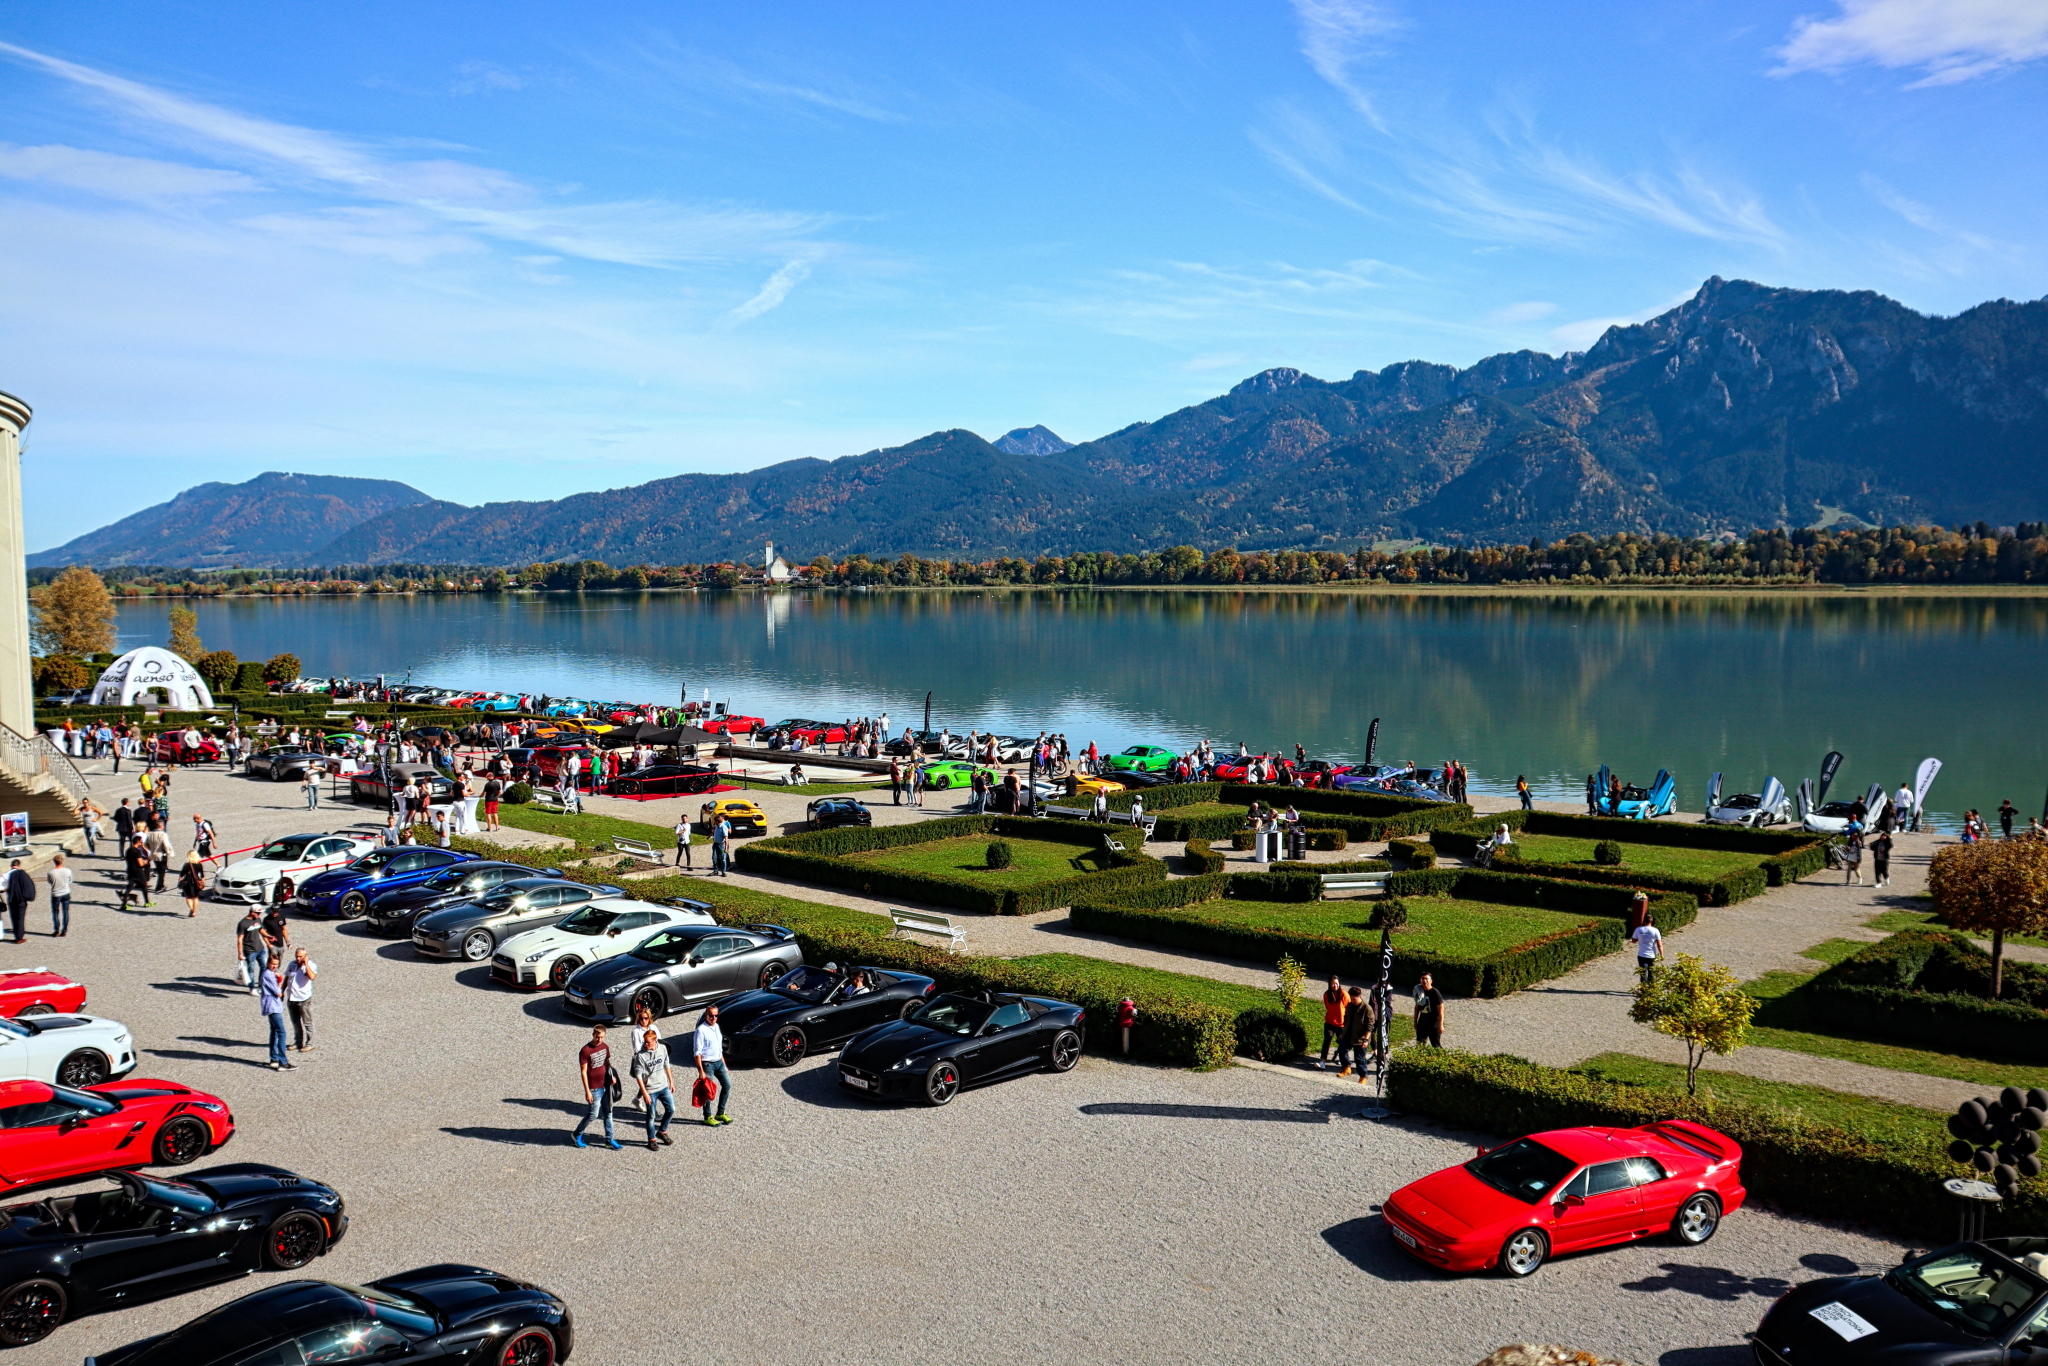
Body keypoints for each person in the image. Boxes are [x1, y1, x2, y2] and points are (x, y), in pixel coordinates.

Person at [571, 1026, 620, 1149]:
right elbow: (583, 1072)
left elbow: (607, 1063)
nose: (599, 1040)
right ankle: (577, 1133)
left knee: (608, 1113)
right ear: (593, 1034)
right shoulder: (585, 1050)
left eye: (602, 1037)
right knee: (593, 1114)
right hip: (594, 1088)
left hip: (606, 1085)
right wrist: (587, 1091)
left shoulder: (605, 1047)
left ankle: (609, 1139)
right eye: (597, 1037)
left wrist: (612, 1076)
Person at [632, 1028, 676, 1151]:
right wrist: (644, 1093)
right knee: (651, 1116)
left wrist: (671, 1082)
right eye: (644, 1042)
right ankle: (651, 1139)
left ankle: (662, 1131)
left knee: (671, 1109)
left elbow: (666, 1064)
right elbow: (638, 1076)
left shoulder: (662, 1048)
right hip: (650, 1090)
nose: (645, 1044)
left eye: (648, 1042)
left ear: (655, 1041)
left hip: (663, 1086)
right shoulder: (640, 1056)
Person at [694, 1004, 731, 1125]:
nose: (714, 1018)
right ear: (706, 1015)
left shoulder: (717, 1027)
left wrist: (724, 1065)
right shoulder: (701, 1030)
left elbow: (718, 1048)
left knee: (727, 1085)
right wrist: (701, 1071)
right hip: (707, 1064)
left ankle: (720, 1112)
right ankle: (707, 1116)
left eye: (716, 1015)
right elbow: (697, 1053)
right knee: (708, 1091)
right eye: (711, 1016)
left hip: (719, 1062)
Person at [258, 953, 292, 1070]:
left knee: (274, 1032)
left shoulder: (268, 973)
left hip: (271, 1006)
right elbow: (278, 992)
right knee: (282, 1032)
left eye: (276, 964)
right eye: (272, 964)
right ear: (268, 963)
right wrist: (279, 980)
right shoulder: (268, 975)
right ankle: (282, 1062)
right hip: (273, 1006)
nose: (274, 966)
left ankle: (274, 1058)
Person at [1338, 985, 1375, 1080]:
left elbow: (1370, 1026)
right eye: (1351, 998)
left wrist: (1366, 1040)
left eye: (1354, 999)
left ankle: (1363, 1076)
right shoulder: (1350, 1005)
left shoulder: (1367, 1009)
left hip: (1360, 1037)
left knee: (1359, 1059)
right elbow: (1346, 1019)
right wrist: (1343, 1032)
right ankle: (1346, 1068)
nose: (1352, 1001)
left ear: (1360, 997)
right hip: (1348, 1034)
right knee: (1342, 1050)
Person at [284, 947, 317, 1053]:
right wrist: (282, 990)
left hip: (303, 999)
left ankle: (310, 1043)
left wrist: (306, 964)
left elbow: (312, 977)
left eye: (300, 957)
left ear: (305, 956)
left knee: (307, 1022)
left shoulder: (311, 965)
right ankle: (298, 1042)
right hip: (291, 997)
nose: (298, 959)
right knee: (295, 1022)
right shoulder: (292, 964)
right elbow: (287, 978)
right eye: (296, 956)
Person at [236, 907, 267, 993]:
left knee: (264, 967)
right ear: (252, 912)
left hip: (260, 948)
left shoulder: (258, 919)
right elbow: (240, 939)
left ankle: (261, 985)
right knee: (251, 970)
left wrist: (268, 936)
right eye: (258, 913)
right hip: (249, 951)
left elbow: (261, 930)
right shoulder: (243, 923)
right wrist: (240, 953)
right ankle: (252, 988)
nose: (259, 914)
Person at [1318, 975, 1345, 1070]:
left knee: (1342, 1042)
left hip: (1341, 1023)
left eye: (1337, 983)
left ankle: (1343, 1059)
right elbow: (1327, 1006)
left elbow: (1348, 1007)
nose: (1335, 986)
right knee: (1327, 1039)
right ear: (1330, 984)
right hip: (1330, 1022)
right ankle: (1322, 1061)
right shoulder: (1326, 994)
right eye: (1333, 984)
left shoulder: (1344, 994)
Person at [120, 834, 153, 910]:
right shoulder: (137, 851)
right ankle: (147, 902)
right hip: (138, 871)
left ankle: (123, 904)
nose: (142, 843)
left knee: (129, 888)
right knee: (144, 886)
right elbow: (140, 864)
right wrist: (145, 862)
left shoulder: (128, 850)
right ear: (138, 842)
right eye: (141, 842)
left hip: (130, 870)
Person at [1412, 973, 1444, 1048]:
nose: (1424, 981)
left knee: (1436, 1046)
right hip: (1422, 1022)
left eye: (1426, 979)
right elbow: (1417, 1007)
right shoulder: (1419, 992)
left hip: (1433, 1024)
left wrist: (1441, 1025)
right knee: (1420, 1045)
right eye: (1422, 979)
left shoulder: (1435, 992)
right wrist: (1415, 1021)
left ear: (1431, 981)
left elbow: (1441, 1009)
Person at [3, 860, 32, 944]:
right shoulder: (22, 874)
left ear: (11, 865)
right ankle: (19, 937)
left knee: (13, 917)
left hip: (11, 898)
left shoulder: (5, 874)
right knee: (20, 918)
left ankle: (17, 933)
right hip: (21, 899)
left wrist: (5, 889)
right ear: (19, 865)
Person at [1631, 919, 1664, 984]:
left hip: (1642, 955)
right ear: (1652, 921)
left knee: (1643, 974)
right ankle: (1650, 987)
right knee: (1651, 973)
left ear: (1644, 921)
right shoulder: (1655, 930)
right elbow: (1659, 945)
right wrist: (1661, 955)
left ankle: (1643, 987)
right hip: (1652, 955)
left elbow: (1633, 941)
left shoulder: (1638, 929)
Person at [46, 854, 71, 938]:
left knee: (55, 912)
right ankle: (64, 931)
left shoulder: (51, 873)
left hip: (56, 893)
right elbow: (70, 881)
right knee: (65, 911)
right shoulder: (67, 871)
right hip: (66, 892)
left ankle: (56, 930)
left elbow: (50, 882)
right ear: (62, 861)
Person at [144, 822, 172, 894]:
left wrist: (150, 850)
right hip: (161, 854)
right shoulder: (163, 834)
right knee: (162, 871)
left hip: (153, 854)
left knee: (159, 869)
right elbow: (166, 845)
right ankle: (159, 886)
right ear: (161, 826)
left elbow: (145, 844)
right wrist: (168, 852)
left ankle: (160, 885)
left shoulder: (149, 834)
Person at [177, 851, 206, 918]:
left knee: (188, 897)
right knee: (195, 898)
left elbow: (181, 874)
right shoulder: (199, 865)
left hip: (187, 882)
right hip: (196, 882)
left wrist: (180, 881)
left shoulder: (186, 865)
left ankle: (191, 908)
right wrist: (201, 882)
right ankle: (194, 913)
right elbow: (202, 875)